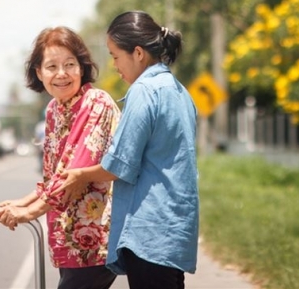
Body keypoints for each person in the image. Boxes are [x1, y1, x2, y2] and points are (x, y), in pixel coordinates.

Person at [53, 11, 199, 289]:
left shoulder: (144, 91)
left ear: (139, 53)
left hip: (149, 232)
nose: (115, 66)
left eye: (115, 56)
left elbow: (119, 165)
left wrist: (79, 174)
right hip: (175, 230)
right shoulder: (179, 90)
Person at [0, 26, 121, 289]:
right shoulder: (54, 109)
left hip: (96, 237)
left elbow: (73, 174)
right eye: (52, 66)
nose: (61, 74)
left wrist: (29, 212)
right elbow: (54, 175)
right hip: (66, 233)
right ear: (39, 73)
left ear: (82, 68)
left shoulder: (96, 103)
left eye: (69, 64)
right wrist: (22, 202)